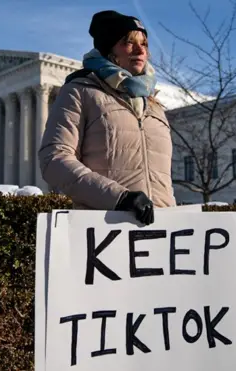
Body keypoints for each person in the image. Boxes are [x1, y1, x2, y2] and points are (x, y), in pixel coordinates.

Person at [38, 10, 176, 225]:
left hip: (162, 232)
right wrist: (119, 198)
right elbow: (54, 160)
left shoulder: (154, 105)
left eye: (145, 44)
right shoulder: (81, 91)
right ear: (110, 51)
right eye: (128, 42)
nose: (140, 50)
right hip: (105, 229)